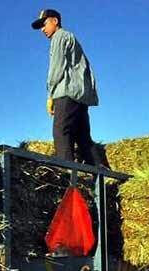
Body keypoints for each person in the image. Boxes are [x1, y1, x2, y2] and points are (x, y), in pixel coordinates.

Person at [31, 9, 101, 166]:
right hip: (80, 96)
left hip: (67, 93)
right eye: (40, 27)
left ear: (55, 21)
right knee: (83, 137)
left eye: (44, 24)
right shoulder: (70, 38)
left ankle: (67, 174)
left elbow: (56, 68)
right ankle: (103, 176)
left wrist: (50, 96)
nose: (42, 29)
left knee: (60, 131)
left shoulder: (59, 37)